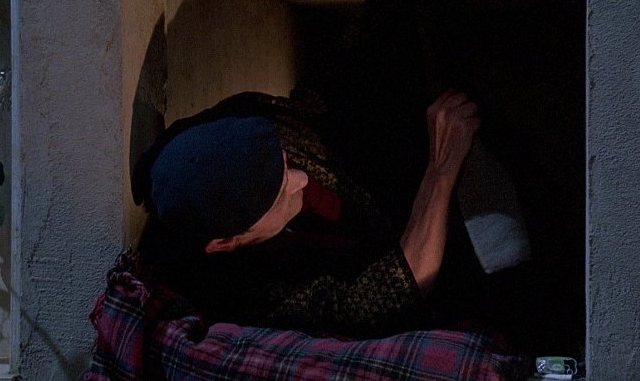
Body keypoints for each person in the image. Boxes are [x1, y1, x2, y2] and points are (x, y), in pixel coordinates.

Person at [132, 89, 479, 338]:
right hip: (429, 243)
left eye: (285, 162)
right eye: (279, 192)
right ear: (224, 242)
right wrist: (441, 170)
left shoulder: (242, 122)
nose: (300, 179)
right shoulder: (245, 298)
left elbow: (326, 99)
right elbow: (395, 294)